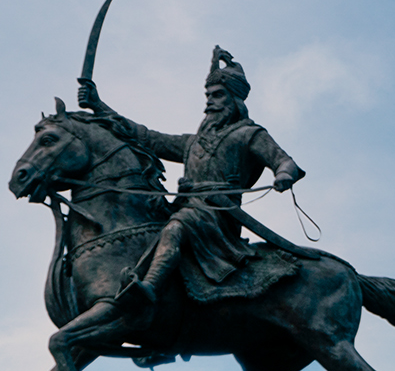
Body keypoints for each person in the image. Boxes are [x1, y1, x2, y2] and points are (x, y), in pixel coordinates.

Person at [78, 46, 311, 307]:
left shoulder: (248, 134)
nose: (210, 101)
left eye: (218, 95)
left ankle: (150, 288)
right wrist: (98, 106)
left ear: (235, 100)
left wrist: (283, 175)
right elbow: (145, 136)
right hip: (186, 206)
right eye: (208, 95)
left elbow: (284, 161)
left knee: (177, 226)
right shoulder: (192, 143)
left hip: (217, 215)